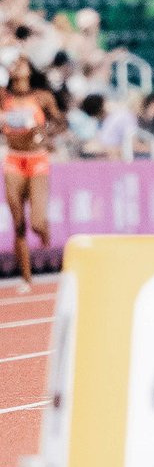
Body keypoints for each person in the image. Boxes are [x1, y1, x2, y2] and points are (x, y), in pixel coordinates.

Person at [2, 56, 64, 293]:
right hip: (14, 160)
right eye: (14, 63)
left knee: (37, 222)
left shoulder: (41, 97)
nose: (18, 66)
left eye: (23, 63)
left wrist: (45, 134)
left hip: (37, 160)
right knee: (18, 224)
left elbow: (60, 121)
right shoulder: (3, 98)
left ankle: (44, 231)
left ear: (30, 70)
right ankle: (26, 278)